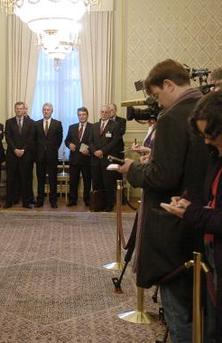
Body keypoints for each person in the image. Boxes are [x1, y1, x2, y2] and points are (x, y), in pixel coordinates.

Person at [118, 59, 209, 343]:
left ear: (168, 85)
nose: (158, 103)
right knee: (200, 310)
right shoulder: (205, 107)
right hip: (199, 216)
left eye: (157, 95)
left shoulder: (173, 117)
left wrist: (133, 169)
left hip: (172, 223)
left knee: (178, 310)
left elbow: (163, 178)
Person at [161, 91, 222, 342]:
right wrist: (190, 202)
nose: (207, 142)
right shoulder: (216, 157)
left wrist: (192, 212)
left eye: (211, 135)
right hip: (212, 248)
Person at [89, 104, 121, 211]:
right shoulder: (94, 126)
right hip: (95, 160)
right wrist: (95, 152)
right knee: (97, 183)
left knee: (108, 183)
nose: (104, 114)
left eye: (106, 112)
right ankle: (98, 204)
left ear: (109, 113)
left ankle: (109, 205)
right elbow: (90, 142)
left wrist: (102, 151)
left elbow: (115, 142)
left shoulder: (115, 125)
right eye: (102, 112)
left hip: (107, 159)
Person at [4, 101, 35, 209]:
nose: (19, 110)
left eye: (21, 108)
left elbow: (31, 139)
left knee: (25, 179)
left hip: (26, 156)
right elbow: (8, 137)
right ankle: (9, 202)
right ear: (15, 109)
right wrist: (15, 149)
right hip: (12, 155)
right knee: (11, 179)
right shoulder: (9, 122)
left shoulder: (31, 123)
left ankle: (26, 203)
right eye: (17, 108)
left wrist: (23, 150)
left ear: (24, 109)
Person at [34, 103, 63, 208]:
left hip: (52, 156)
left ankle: (53, 200)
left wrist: (53, 149)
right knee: (40, 179)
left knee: (53, 179)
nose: (46, 111)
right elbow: (34, 140)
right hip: (39, 156)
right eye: (44, 109)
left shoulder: (57, 124)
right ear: (42, 111)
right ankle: (40, 200)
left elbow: (59, 140)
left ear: (52, 111)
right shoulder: (36, 124)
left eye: (48, 110)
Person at [65, 106, 93, 207]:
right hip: (74, 159)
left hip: (87, 159)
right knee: (73, 181)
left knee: (87, 181)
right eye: (79, 115)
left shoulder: (93, 127)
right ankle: (73, 200)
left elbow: (95, 143)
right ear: (78, 116)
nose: (81, 117)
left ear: (87, 115)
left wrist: (89, 150)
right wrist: (69, 145)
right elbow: (66, 141)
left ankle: (87, 199)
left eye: (83, 114)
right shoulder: (72, 127)